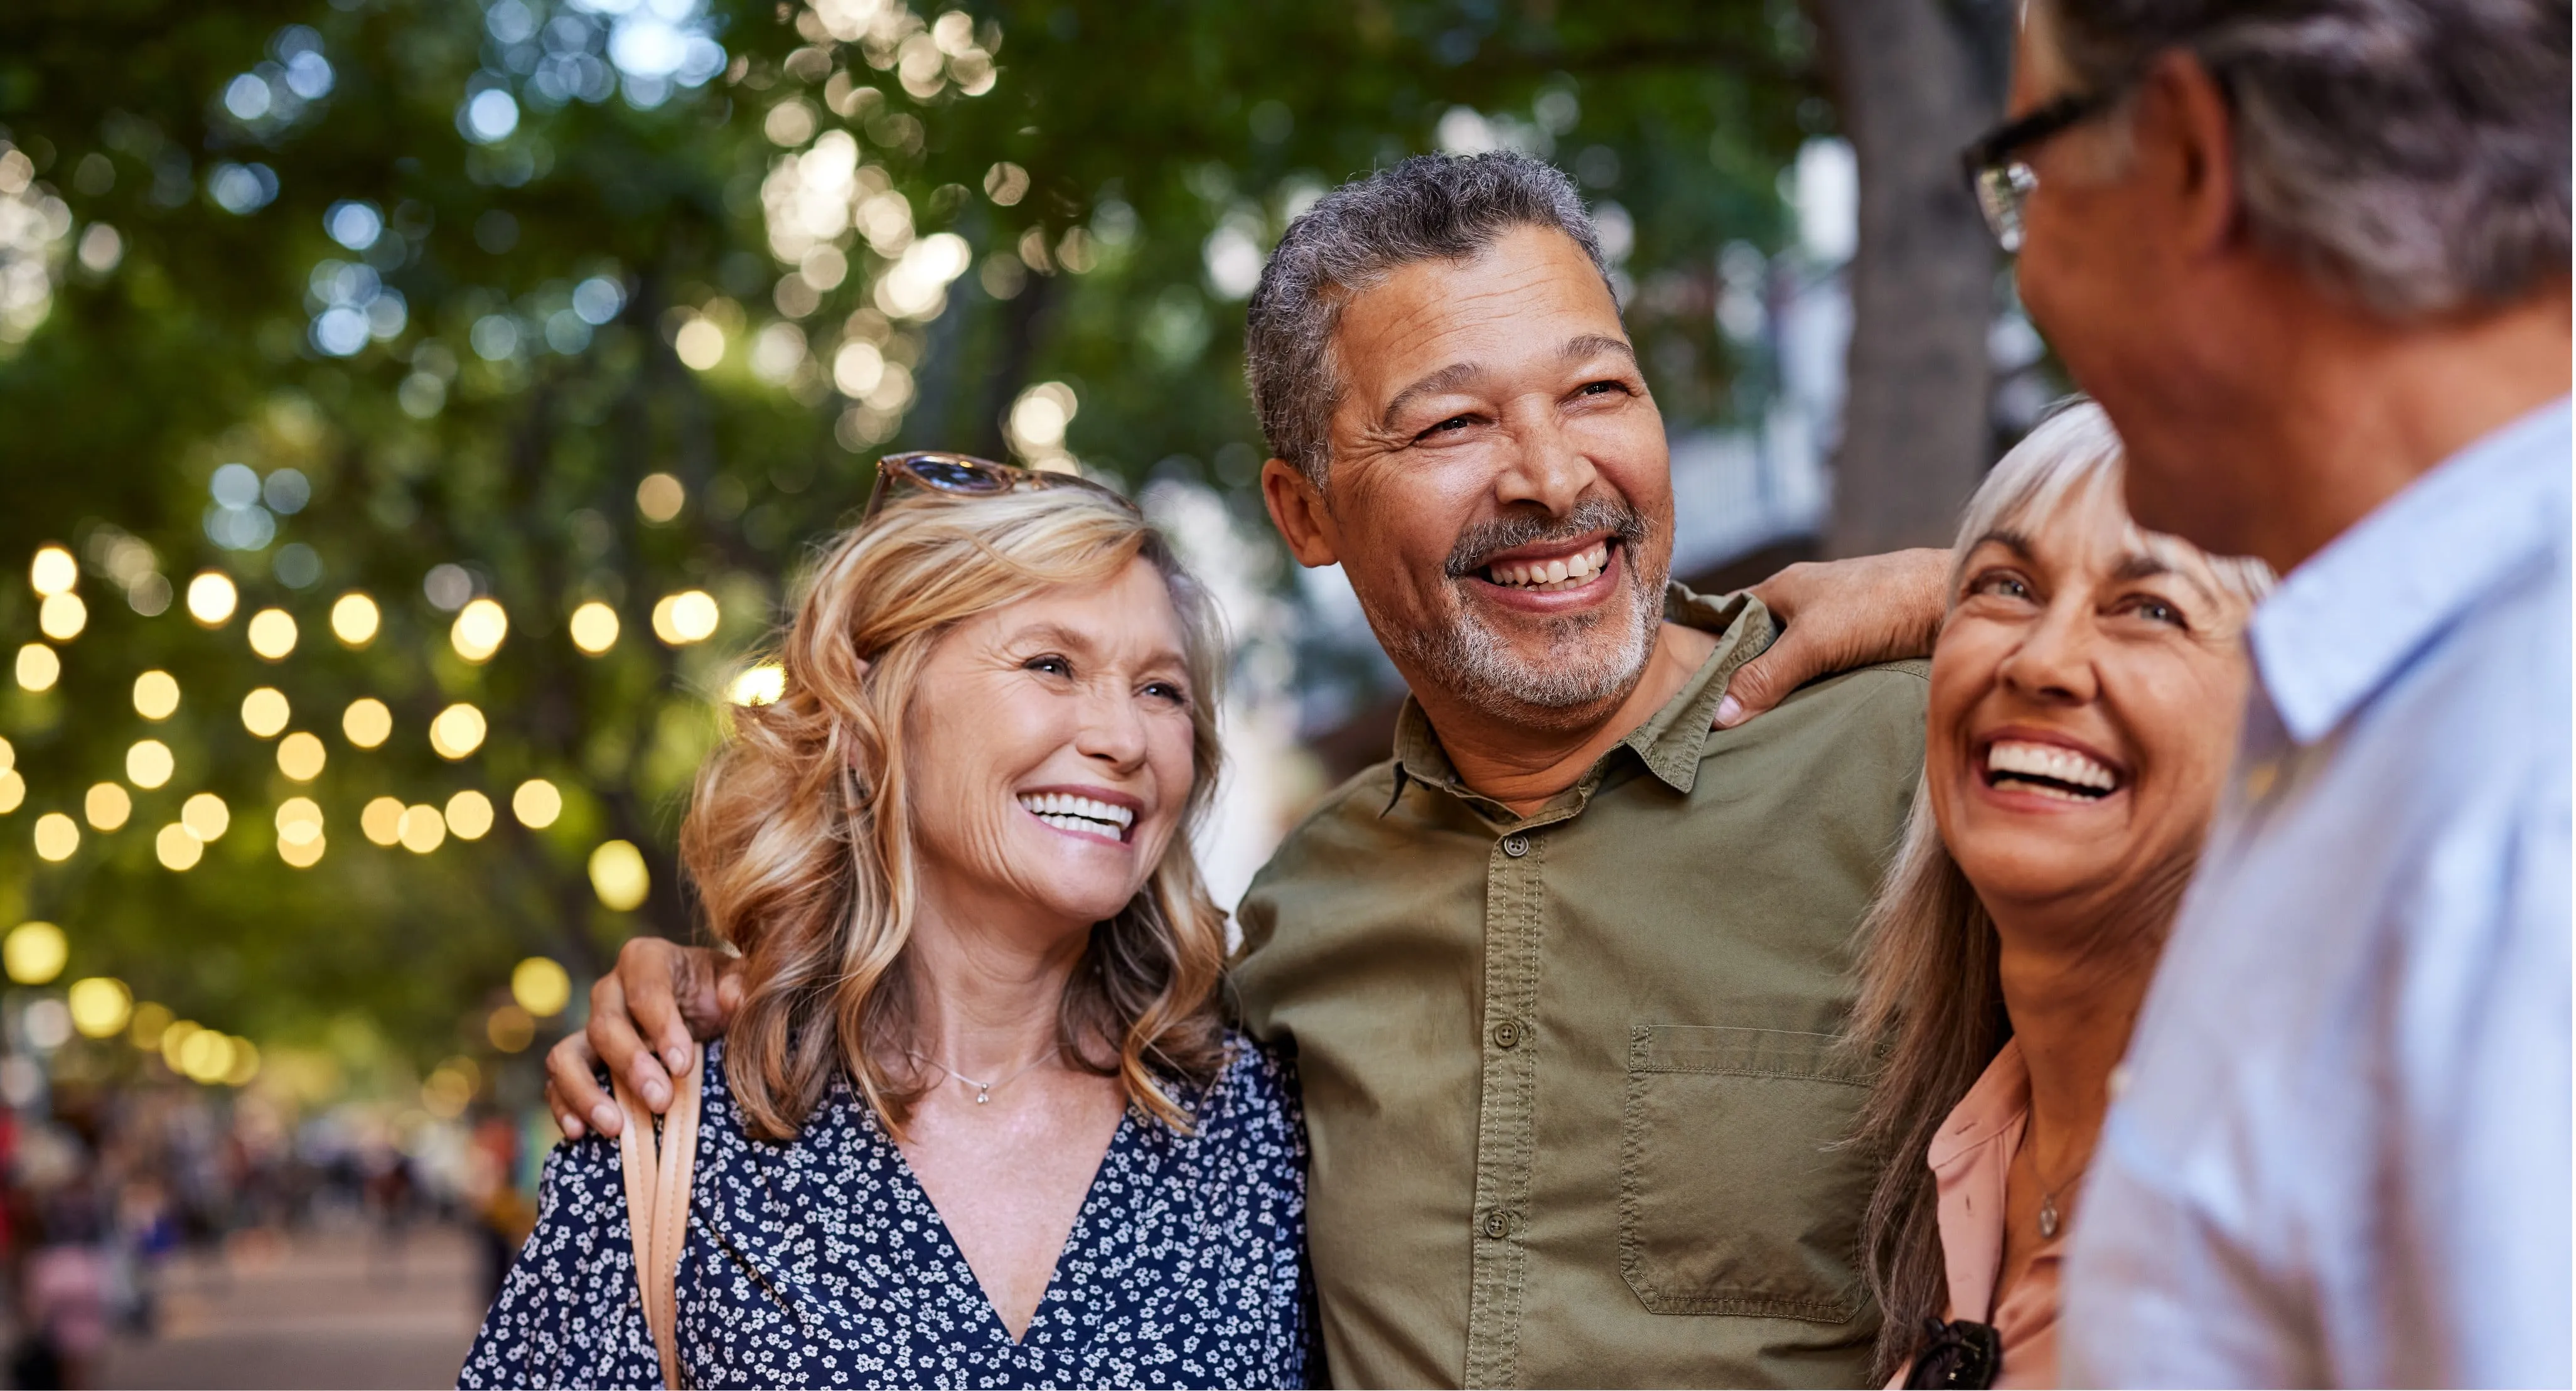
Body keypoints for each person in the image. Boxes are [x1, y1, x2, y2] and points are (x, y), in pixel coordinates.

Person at [551, 153, 1954, 1387]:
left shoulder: (1916, 767)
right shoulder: (1284, 949)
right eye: (1453, 423)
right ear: (1305, 510)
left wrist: (1989, 589)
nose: (1549, 473)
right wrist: (707, 984)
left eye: (1599, 389)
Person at [1968, 2, 2571, 1383]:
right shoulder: (2398, 709)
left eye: (2028, 182)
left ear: (2187, 156)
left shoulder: (2524, 801)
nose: (2030, 272)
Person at [463, 462, 1316, 1388]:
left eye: (1163, 690)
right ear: (878, 710)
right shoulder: (672, 1133)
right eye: (1050, 665)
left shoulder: (1265, 1121)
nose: (1124, 737)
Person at [1842, 402, 2268, 1388]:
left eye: (2150, 608)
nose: (2040, 661)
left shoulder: (2312, 1189)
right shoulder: (1973, 1147)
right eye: (2006, 586)